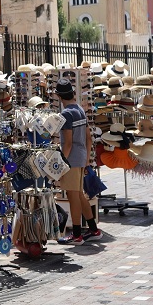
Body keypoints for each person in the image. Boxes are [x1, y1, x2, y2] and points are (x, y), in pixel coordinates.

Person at [54, 78, 102, 245]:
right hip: (81, 157)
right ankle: (93, 229)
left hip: (72, 160)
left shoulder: (66, 114)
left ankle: (76, 235)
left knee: (73, 196)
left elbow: (67, 143)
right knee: (79, 195)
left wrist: (60, 163)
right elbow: (89, 138)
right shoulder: (80, 110)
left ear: (59, 96)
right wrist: (87, 159)